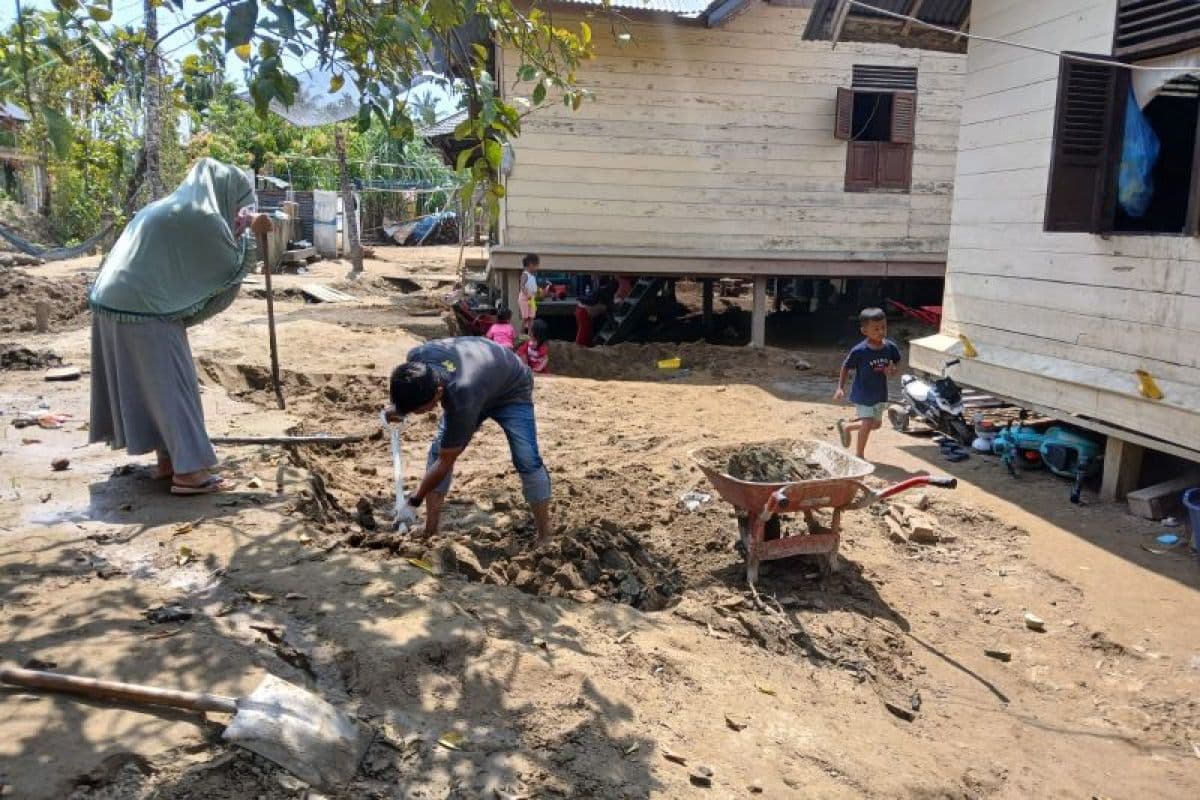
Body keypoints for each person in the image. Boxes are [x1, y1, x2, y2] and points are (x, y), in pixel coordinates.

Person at [89, 158, 271, 495]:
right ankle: (190, 474)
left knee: (152, 388)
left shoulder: (168, 207)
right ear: (225, 192)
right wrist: (250, 235)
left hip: (112, 302)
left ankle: (170, 461)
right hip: (143, 305)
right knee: (175, 386)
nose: (238, 215)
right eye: (238, 206)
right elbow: (227, 263)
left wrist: (245, 226)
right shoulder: (201, 216)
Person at [386, 337, 552, 543]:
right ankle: (431, 530)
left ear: (438, 393)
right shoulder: (417, 357)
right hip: (482, 375)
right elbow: (405, 386)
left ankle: (545, 536)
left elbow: (445, 461)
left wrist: (413, 502)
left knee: (526, 458)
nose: (420, 413)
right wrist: (399, 408)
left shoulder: (461, 397)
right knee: (438, 450)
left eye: (418, 410)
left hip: (512, 388)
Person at [834, 307, 902, 460]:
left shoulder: (890, 347)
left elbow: (896, 362)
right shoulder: (860, 351)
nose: (881, 331)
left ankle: (847, 426)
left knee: (876, 425)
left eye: (884, 327)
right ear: (864, 331)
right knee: (867, 422)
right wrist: (840, 388)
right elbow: (846, 366)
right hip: (863, 393)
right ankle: (859, 456)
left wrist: (892, 370)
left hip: (879, 393)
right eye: (876, 329)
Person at [517, 253, 542, 336]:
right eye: (536, 266)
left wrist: (539, 291)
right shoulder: (525, 274)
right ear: (530, 265)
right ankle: (521, 335)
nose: (537, 268)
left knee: (531, 317)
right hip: (525, 298)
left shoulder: (532, 276)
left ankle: (529, 334)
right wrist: (526, 294)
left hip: (532, 298)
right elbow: (522, 285)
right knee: (525, 317)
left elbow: (533, 287)